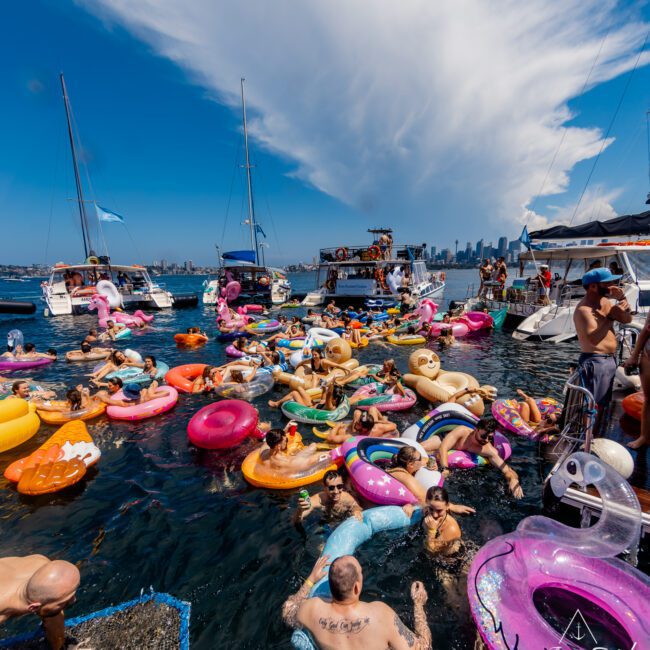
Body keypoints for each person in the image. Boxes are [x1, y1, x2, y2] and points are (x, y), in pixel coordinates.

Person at [282, 554, 432, 650]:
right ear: (356, 587)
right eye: (361, 573)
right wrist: (419, 605)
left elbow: (288, 611)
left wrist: (310, 580)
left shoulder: (312, 609)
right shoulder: (381, 616)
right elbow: (424, 647)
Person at [573, 268, 632, 429]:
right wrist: (610, 317)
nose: (612, 285)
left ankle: (595, 434)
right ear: (593, 286)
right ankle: (585, 436)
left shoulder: (605, 302)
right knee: (590, 405)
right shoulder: (583, 309)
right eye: (607, 283)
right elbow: (593, 338)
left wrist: (623, 300)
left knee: (603, 403)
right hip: (595, 360)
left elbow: (627, 319)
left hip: (609, 360)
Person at [421, 418, 524, 499]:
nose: (486, 440)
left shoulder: (488, 450)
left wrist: (514, 480)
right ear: (476, 430)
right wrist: (445, 468)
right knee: (423, 448)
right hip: (444, 440)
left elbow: (507, 469)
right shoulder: (462, 431)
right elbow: (443, 447)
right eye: (483, 436)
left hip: (455, 454)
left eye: (490, 438)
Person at [0, 554, 80, 650]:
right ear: (33, 607)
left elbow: (55, 626)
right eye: (64, 601)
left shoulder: (41, 564)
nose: (74, 600)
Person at [293, 470, 363, 526]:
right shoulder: (317, 500)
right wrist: (300, 510)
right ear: (324, 488)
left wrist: (356, 511)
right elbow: (296, 522)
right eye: (331, 488)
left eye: (339, 486)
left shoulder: (347, 497)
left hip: (341, 521)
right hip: (325, 522)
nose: (336, 491)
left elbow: (357, 506)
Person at [624, 309, 650, 448]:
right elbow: (646, 329)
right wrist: (634, 356)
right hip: (648, 356)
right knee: (648, 399)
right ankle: (644, 436)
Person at [261, 426, 330, 474]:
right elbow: (310, 461)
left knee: (311, 446)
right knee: (313, 446)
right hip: (296, 463)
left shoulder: (263, 453)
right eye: (286, 440)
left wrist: (284, 431)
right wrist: (332, 452)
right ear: (278, 446)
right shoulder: (286, 462)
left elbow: (266, 442)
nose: (287, 442)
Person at [422, 486, 462, 556]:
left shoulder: (451, 529)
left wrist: (431, 530)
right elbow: (418, 503)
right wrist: (411, 507)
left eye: (439, 510)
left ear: (447, 506)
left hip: (451, 560)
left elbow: (431, 552)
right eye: (431, 509)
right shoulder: (427, 509)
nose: (434, 515)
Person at [324, 407, 398, 443]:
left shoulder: (355, 436)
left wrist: (337, 426)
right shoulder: (378, 428)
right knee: (372, 408)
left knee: (356, 412)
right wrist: (377, 421)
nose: (356, 422)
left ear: (364, 429)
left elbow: (330, 438)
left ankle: (347, 426)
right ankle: (380, 419)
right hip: (374, 429)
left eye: (358, 423)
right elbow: (394, 425)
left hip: (359, 435)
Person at [96, 381, 166, 407]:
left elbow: (106, 400)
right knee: (152, 385)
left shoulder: (126, 403)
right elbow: (167, 392)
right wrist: (151, 393)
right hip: (145, 395)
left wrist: (98, 394)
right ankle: (155, 382)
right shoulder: (146, 397)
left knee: (148, 388)